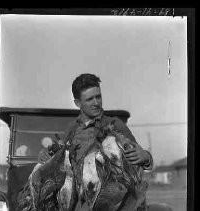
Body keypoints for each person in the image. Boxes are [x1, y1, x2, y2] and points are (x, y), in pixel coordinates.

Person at [38, 73, 153, 210]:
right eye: (89, 99)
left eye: (98, 97)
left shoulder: (115, 125)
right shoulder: (72, 130)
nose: (96, 103)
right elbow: (60, 161)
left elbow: (137, 162)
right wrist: (46, 155)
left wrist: (146, 157)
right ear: (77, 103)